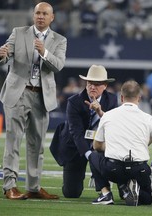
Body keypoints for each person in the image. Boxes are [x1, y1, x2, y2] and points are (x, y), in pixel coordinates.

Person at [0, 2, 67, 200]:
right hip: (18, 93)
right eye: (37, 13)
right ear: (33, 15)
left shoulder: (59, 40)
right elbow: (3, 55)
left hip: (41, 95)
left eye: (44, 13)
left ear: (52, 18)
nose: (40, 16)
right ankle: (10, 186)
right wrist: (0, 56)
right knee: (13, 141)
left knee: (37, 144)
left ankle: (33, 188)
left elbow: (58, 66)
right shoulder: (19, 32)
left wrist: (44, 52)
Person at [89, 80, 152, 205]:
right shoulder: (147, 118)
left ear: (121, 97)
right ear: (139, 98)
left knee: (93, 155)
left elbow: (97, 146)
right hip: (139, 170)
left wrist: (113, 146)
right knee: (146, 200)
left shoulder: (108, 116)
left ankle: (106, 194)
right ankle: (132, 189)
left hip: (114, 170)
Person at [49, 65, 118, 198]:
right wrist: (89, 156)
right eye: (90, 83)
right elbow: (76, 132)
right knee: (71, 193)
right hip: (76, 147)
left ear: (105, 86)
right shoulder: (74, 102)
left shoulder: (111, 100)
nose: (92, 87)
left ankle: (115, 184)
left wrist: (100, 112)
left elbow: (113, 127)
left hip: (100, 147)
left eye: (97, 84)